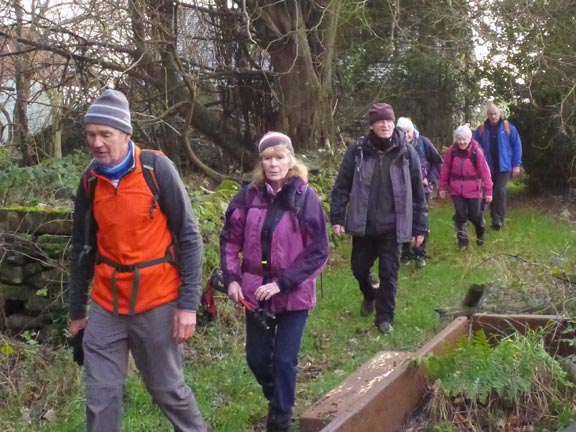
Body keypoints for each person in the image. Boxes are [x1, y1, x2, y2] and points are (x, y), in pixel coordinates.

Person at [67, 89, 207, 432]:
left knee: (168, 390)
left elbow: (189, 237)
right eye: (90, 134)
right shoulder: (89, 181)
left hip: (157, 300)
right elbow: (83, 248)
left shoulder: (156, 169)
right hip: (106, 304)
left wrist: (187, 305)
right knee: (100, 396)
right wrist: (76, 313)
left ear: (126, 134)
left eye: (105, 134)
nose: (96, 143)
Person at [220, 132, 328, 432]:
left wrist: (283, 283)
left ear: (290, 160)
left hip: (294, 293)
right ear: (261, 162)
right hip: (255, 293)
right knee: (256, 359)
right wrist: (231, 279)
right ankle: (277, 395)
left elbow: (318, 250)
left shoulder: (305, 197)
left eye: (280, 157)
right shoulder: (247, 196)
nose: (273, 163)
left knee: (284, 360)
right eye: (268, 158)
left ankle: (280, 417)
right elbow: (230, 241)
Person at [330, 103, 428, 334]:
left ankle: (385, 318)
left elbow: (418, 194)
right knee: (359, 268)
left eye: (389, 121)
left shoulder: (407, 153)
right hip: (364, 225)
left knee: (389, 272)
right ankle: (369, 294)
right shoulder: (357, 151)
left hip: (392, 227)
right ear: (372, 125)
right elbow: (342, 186)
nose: (385, 125)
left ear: (394, 124)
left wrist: (420, 227)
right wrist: (337, 217)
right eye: (380, 121)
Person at [396, 117, 443, 268]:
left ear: (412, 130)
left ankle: (420, 254)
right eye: (402, 132)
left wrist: (429, 179)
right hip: (401, 192)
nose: (406, 135)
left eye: (408, 131)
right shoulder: (394, 146)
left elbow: (437, 162)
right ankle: (406, 253)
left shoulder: (423, 143)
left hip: (422, 190)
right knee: (403, 220)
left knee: (421, 220)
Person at [439, 125, 493, 251]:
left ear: (469, 138)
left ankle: (480, 231)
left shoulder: (476, 152)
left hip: (474, 190)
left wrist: (489, 191)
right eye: (459, 139)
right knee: (460, 216)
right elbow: (445, 169)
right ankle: (463, 242)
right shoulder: (451, 151)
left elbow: (485, 172)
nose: (462, 142)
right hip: (456, 190)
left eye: (464, 139)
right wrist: (442, 187)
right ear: (455, 139)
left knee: (475, 216)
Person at [473, 103, 522, 230]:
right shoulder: (481, 130)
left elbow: (517, 146)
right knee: (489, 192)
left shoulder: (508, 128)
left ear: (499, 114)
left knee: (499, 190)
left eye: (495, 114)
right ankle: (492, 217)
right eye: (491, 114)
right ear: (487, 115)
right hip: (487, 167)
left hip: (504, 167)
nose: (493, 116)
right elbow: (474, 146)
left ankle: (499, 219)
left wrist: (516, 165)